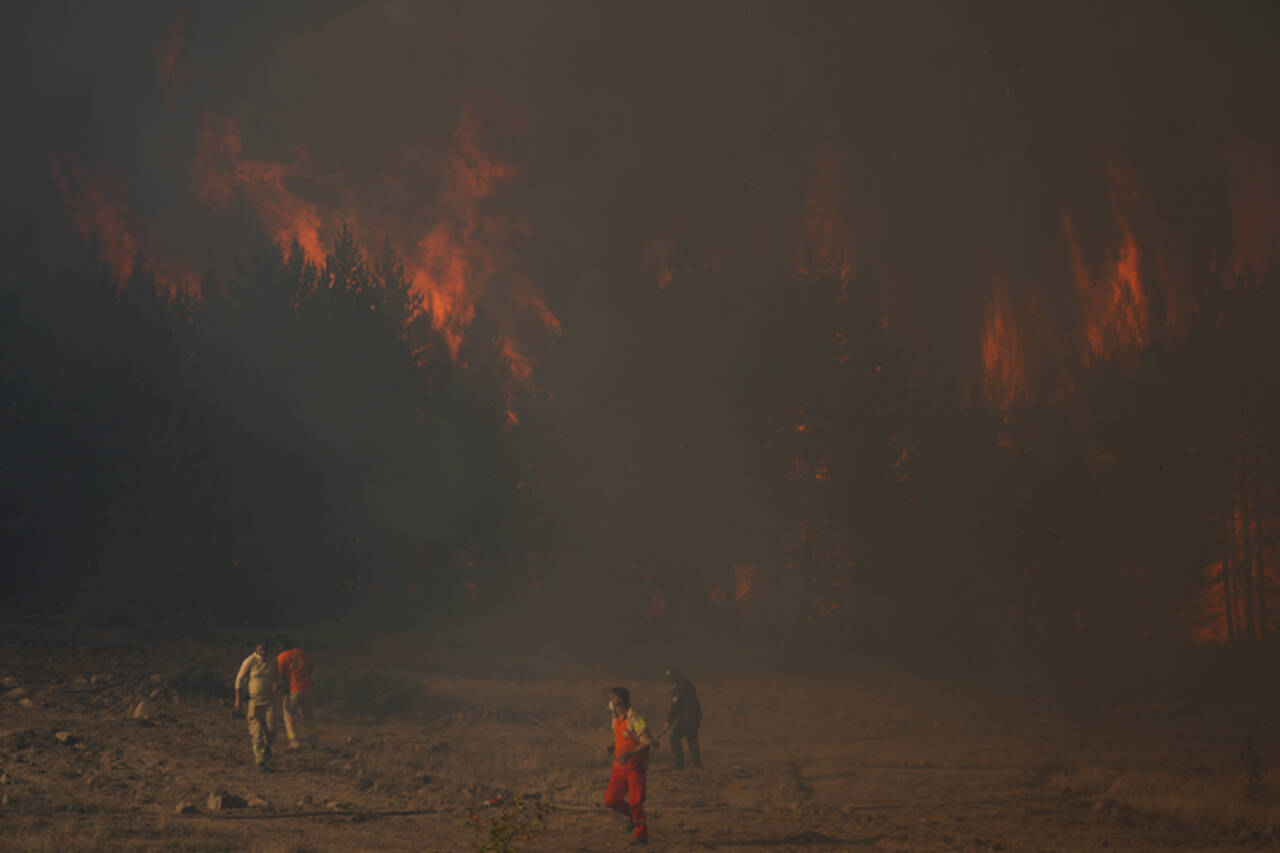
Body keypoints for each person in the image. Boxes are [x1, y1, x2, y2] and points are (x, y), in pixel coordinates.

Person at [603, 686, 655, 845]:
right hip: (619, 768)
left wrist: (628, 754)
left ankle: (641, 835)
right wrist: (614, 747)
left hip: (635, 768)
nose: (609, 703)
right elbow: (623, 738)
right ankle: (633, 818)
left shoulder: (636, 719)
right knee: (610, 800)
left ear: (618, 702)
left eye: (611, 700)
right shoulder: (615, 719)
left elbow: (647, 743)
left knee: (635, 802)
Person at [233, 638, 278, 771]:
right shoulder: (249, 661)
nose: (263, 652)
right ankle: (259, 760)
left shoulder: (272, 661)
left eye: (265, 649)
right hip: (253, 701)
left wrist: (276, 694)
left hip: (269, 701)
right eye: (261, 649)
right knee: (257, 732)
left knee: (272, 729)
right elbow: (239, 681)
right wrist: (238, 701)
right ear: (256, 649)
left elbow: (276, 679)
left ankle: (266, 748)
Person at [655, 667, 703, 769]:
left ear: (677, 675)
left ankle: (679, 764)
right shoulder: (687, 684)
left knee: (674, 738)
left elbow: (675, 707)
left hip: (688, 717)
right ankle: (697, 763)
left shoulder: (681, 687)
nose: (669, 679)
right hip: (695, 716)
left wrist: (668, 722)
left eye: (671, 676)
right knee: (691, 738)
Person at [275, 634, 317, 749]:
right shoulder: (302, 653)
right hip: (308, 688)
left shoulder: (281, 657)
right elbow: (311, 669)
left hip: (293, 690)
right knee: (308, 716)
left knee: (288, 715)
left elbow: (279, 676)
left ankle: (294, 740)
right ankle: (312, 740)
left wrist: (279, 691)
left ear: (281, 645)